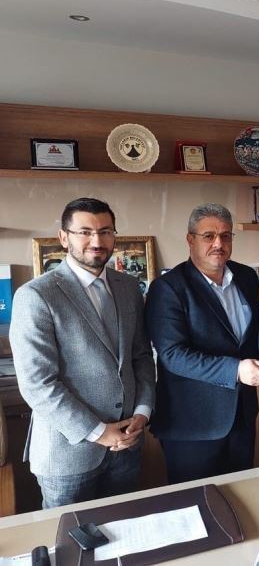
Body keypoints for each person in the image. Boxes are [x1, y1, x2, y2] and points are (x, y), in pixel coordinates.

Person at [10, 197, 156, 508]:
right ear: (64, 237)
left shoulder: (129, 287)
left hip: (127, 445)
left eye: (105, 231)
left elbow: (141, 356)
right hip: (67, 454)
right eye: (85, 232)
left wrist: (143, 412)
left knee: (123, 528)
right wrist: (99, 432)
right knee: (69, 536)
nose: (97, 241)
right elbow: (37, 384)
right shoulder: (36, 295)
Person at [145, 203, 259, 484]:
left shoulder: (247, 277)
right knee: (194, 503)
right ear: (190, 239)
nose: (218, 244)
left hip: (241, 416)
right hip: (192, 425)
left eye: (225, 236)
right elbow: (173, 355)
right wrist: (236, 370)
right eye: (208, 236)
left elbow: (251, 339)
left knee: (241, 496)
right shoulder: (168, 288)